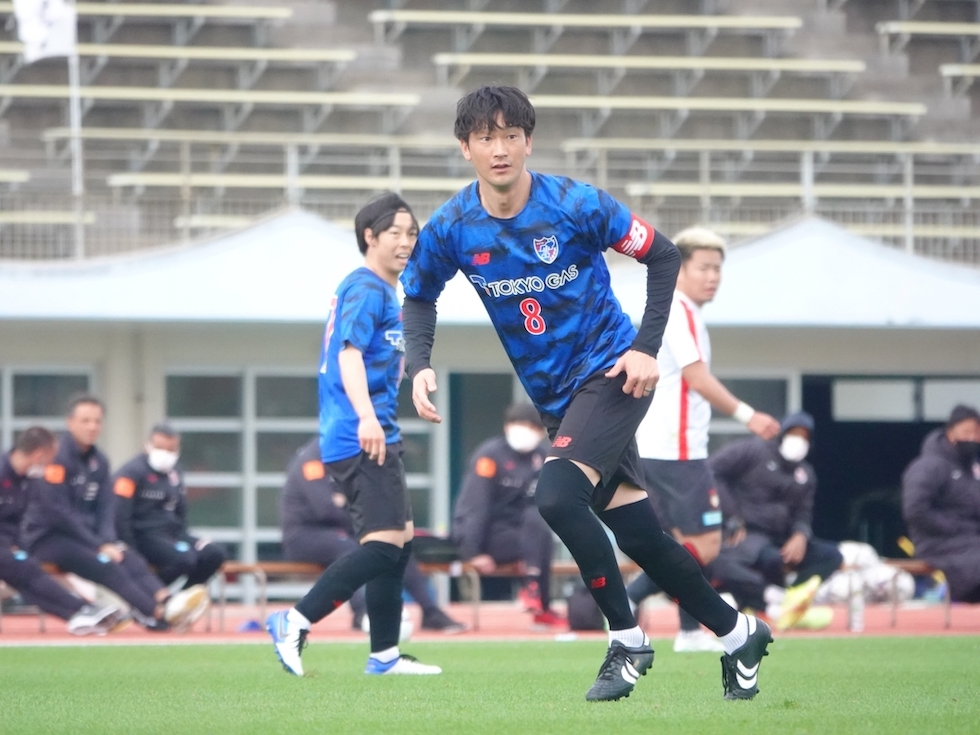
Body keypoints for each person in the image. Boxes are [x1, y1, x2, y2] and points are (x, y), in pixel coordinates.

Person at [401, 85, 772, 702]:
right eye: (486, 138)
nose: (500, 149)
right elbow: (417, 295)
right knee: (641, 536)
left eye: (511, 135)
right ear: (466, 148)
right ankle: (739, 634)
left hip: (614, 373)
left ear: (528, 141)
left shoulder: (576, 203)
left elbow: (664, 255)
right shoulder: (452, 227)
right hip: (556, 400)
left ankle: (626, 640)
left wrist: (646, 348)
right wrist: (418, 364)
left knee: (555, 496)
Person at [266, 192, 442, 677]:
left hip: (378, 431)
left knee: (399, 542)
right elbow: (348, 355)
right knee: (383, 545)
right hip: (359, 434)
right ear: (370, 236)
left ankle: (384, 656)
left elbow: (381, 361)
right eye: (395, 233)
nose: (406, 242)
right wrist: (366, 417)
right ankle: (294, 621)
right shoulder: (366, 287)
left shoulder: (384, 292)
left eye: (412, 233)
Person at [628, 226, 780, 653]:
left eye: (718, 269)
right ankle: (634, 596)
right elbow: (696, 378)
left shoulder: (680, 310)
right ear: (680, 269)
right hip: (674, 449)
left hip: (663, 447)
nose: (713, 277)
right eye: (704, 268)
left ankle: (690, 631)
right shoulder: (678, 310)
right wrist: (749, 415)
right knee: (706, 545)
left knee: (682, 544)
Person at [21, 395, 205, 632]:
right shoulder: (57, 458)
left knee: (129, 557)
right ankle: (156, 614)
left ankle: (167, 601)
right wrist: (98, 544)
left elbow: (106, 508)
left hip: (86, 538)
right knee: (107, 564)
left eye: (97, 421)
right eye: (85, 420)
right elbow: (57, 512)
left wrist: (108, 540)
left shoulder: (100, 461)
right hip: (48, 537)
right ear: (70, 423)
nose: (92, 426)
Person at [280, 437, 465, 633]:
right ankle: (362, 613)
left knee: (394, 544)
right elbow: (325, 509)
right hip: (304, 535)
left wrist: (347, 503)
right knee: (349, 550)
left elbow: (369, 500)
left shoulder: (351, 456)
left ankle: (431, 611)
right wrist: (353, 506)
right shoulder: (313, 459)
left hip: (345, 529)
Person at [707, 411, 844, 629]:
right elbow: (712, 470)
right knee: (770, 559)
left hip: (782, 537)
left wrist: (800, 535)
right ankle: (771, 602)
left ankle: (790, 602)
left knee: (831, 556)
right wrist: (731, 515)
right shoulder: (752, 450)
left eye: (804, 437)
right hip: (747, 533)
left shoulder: (805, 474)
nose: (798, 440)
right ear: (782, 433)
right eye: (794, 433)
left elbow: (803, 513)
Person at [0, 426, 124, 635]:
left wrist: (18, 547)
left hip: (7, 546)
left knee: (28, 571)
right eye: (50, 458)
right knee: (25, 569)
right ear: (39, 455)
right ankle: (81, 610)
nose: (50, 464)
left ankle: (79, 614)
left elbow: (18, 521)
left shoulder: (28, 481)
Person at [452, 402, 562, 628]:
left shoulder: (543, 456)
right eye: (519, 425)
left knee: (538, 521)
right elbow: (475, 506)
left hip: (528, 534)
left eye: (532, 427)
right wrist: (472, 552)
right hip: (492, 536)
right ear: (507, 426)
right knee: (538, 535)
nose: (525, 431)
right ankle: (539, 601)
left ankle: (533, 591)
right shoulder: (490, 455)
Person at [113, 423, 224, 626]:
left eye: (171, 450)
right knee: (185, 559)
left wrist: (184, 535)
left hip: (172, 534)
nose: (166, 454)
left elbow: (181, 511)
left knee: (214, 553)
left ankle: (178, 605)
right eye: (160, 448)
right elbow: (120, 516)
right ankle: (148, 602)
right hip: (144, 535)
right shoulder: (130, 473)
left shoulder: (176, 473)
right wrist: (131, 550)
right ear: (147, 445)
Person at [901, 403, 980, 602]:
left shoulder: (973, 469)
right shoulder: (928, 466)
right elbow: (915, 510)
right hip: (938, 544)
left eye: (977, 433)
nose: (973, 438)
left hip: (970, 541)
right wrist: (952, 527)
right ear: (951, 434)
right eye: (967, 432)